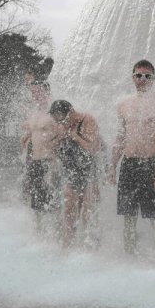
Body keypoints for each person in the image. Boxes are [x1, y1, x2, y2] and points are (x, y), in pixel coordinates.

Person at [108, 60, 155, 256]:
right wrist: (113, 166)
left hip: (152, 164)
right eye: (139, 75)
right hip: (128, 164)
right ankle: (129, 256)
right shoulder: (123, 105)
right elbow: (120, 137)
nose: (143, 79)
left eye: (147, 76)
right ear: (132, 78)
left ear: (154, 79)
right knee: (128, 216)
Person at [49, 100, 102, 248]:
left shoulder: (87, 120)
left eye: (60, 119)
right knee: (68, 210)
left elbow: (93, 147)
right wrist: (58, 138)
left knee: (87, 210)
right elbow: (50, 147)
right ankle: (68, 245)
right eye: (55, 119)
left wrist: (74, 136)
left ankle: (90, 245)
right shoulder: (59, 124)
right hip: (70, 169)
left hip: (89, 169)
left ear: (70, 113)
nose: (59, 122)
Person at [20, 81, 60, 231]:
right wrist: (26, 135)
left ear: (47, 92)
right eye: (33, 93)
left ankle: (57, 229)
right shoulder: (34, 113)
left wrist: (56, 155)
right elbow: (33, 128)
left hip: (50, 161)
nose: (35, 96)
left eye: (38, 92)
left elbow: (62, 133)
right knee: (36, 196)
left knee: (53, 197)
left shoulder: (54, 112)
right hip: (35, 160)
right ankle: (39, 230)